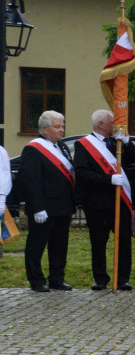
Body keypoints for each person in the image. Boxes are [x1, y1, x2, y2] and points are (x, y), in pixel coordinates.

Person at [74, 109, 135, 291]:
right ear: (101, 124)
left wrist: (127, 143)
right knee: (98, 242)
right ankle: (101, 279)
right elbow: (82, 172)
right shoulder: (84, 145)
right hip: (96, 202)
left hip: (120, 200)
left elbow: (133, 160)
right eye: (112, 122)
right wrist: (108, 180)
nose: (115, 126)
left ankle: (123, 278)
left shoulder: (115, 143)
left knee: (124, 240)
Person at [19, 110, 76, 292]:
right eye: (57, 126)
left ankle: (57, 278)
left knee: (60, 245)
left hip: (62, 206)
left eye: (63, 126)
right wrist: (37, 208)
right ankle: (36, 280)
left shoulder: (62, 147)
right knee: (37, 245)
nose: (62, 130)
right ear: (44, 128)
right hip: (44, 208)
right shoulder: (33, 149)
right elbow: (31, 180)